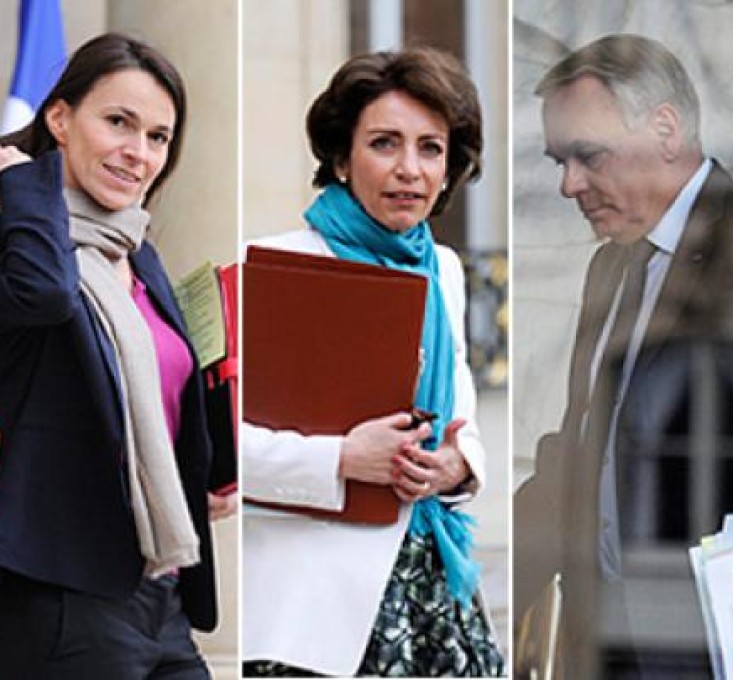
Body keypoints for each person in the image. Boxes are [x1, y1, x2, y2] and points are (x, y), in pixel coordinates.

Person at [513, 33, 733, 675]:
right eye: (559, 162)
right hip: (604, 643)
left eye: (588, 156)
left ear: (665, 130)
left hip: (711, 644)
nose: (569, 185)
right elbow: (584, 444)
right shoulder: (608, 269)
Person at [241, 48, 505, 677]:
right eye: (385, 143)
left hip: (435, 591)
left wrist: (455, 468)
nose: (409, 170)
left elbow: (461, 419)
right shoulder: (271, 266)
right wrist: (341, 460)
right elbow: (216, 446)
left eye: (430, 148)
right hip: (313, 619)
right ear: (340, 158)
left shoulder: (441, 269)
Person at [0, 33, 237, 678]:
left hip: (157, 590)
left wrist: (207, 468)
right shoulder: (24, 243)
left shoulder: (134, 251)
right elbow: (43, 296)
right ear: (59, 119)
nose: (139, 153)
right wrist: (23, 180)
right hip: (61, 590)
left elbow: (159, 397)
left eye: (159, 137)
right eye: (118, 123)